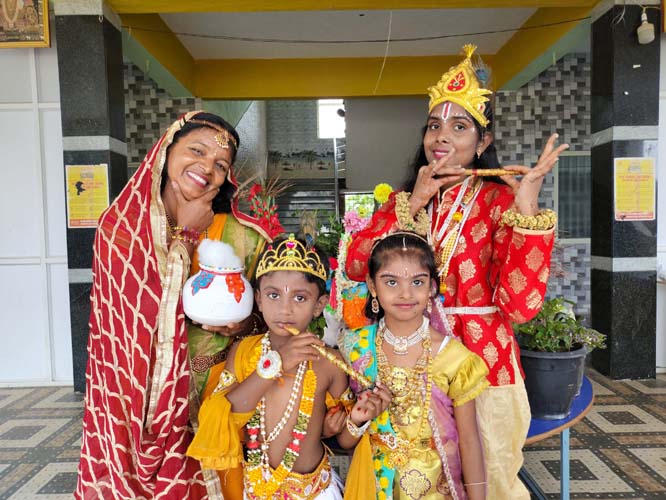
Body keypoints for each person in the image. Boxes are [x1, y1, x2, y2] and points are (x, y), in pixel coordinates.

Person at [344, 45, 568, 499]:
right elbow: (356, 264)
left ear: (483, 143)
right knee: (411, 474)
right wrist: (415, 203)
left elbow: (520, 307)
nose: (441, 137)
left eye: (459, 127)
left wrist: (527, 210)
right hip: (410, 355)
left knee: (491, 475)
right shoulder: (405, 201)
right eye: (434, 125)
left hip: (484, 360)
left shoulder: (501, 202)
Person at [75, 111, 279, 499]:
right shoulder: (119, 229)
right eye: (197, 151)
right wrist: (185, 236)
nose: (207, 168)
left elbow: (272, 319)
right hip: (128, 405)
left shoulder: (243, 236)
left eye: (221, 165)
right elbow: (124, 326)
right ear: (167, 150)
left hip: (213, 398)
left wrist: (243, 326)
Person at [187, 235, 391, 499]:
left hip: (315, 492)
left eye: (300, 298)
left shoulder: (330, 363)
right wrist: (275, 364)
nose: (285, 309)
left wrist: (357, 419)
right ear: (259, 299)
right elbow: (224, 414)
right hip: (255, 491)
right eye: (273, 295)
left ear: (319, 305)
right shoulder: (244, 351)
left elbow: (342, 440)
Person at [340, 232, 488, 500]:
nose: (405, 293)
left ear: (432, 287)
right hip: (372, 484)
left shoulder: (455, 358)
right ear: (372, 286)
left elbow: (469, 440)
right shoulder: (355, 348)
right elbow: (344, 441)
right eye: (391, 282)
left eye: (417, 282)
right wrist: (358, 420)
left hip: (435, 490)